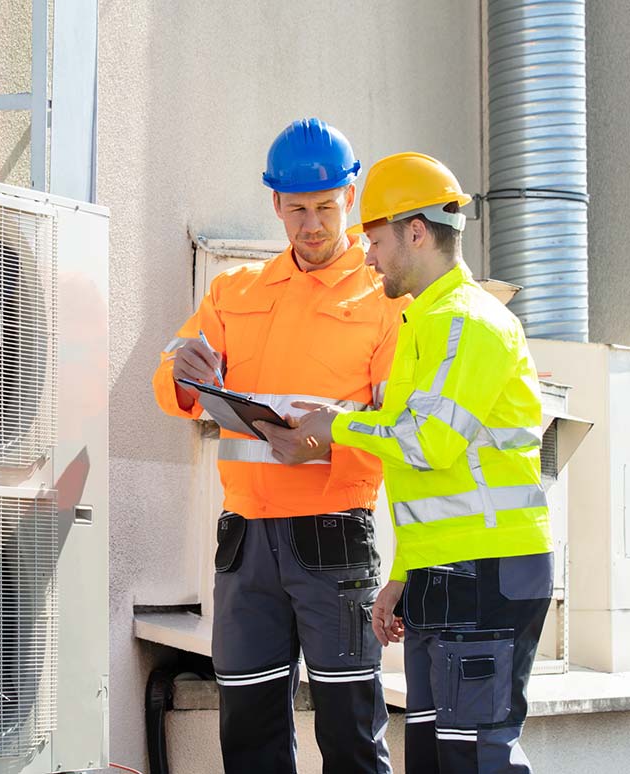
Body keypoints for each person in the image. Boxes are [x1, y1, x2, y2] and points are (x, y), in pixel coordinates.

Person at [257, 152, 554, 773]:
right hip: (447, 573)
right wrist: (402, 575)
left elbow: (428, 442)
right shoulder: (424, 324)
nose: (366, 255)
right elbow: (426, 477)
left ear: (416, 231)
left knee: (476, 757)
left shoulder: (467, 322)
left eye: (375, 238)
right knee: (434, 757)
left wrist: (337, 426)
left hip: (489, 574)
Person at [153, 118, 408, 774]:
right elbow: (169, 378)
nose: (312, 225)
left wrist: (335, 427)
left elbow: (402, 423)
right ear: (275, 204)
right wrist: (186, 376)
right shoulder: (234, 292)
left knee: (351, 736)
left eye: (326, 208)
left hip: (333, 537)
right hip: (244, 546)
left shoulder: (383, 300)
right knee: (249, 737)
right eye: (297, 210)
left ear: (350, 198)